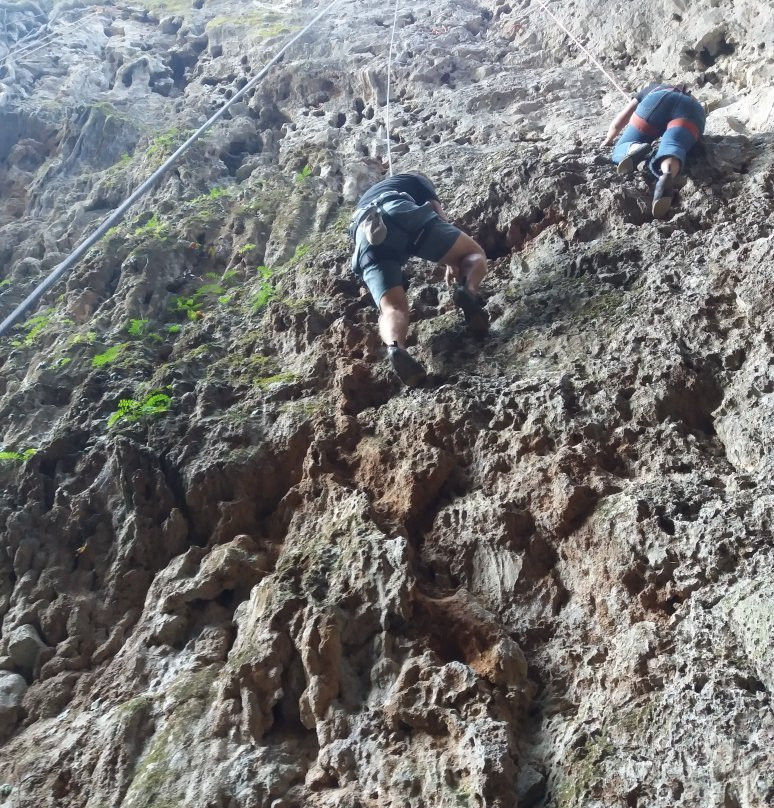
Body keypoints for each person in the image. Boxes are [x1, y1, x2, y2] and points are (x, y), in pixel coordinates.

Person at [349, 172, 488, 387]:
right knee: (473, 255)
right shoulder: (417, 179)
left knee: (391, 308)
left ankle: (395, 347)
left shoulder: (365, 198)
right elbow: (437, 213)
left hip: (365, 232)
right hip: (399, 211)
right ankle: (467, 291)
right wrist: (452, 261)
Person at [603, 82, 706, 218]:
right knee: (673, 145)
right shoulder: (692, 99)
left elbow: (619, 122)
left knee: (623, 146)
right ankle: (667, 173)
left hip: (657, 100)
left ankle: (634, 148)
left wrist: (608, 139)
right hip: (692, 109)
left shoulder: (651, 88)